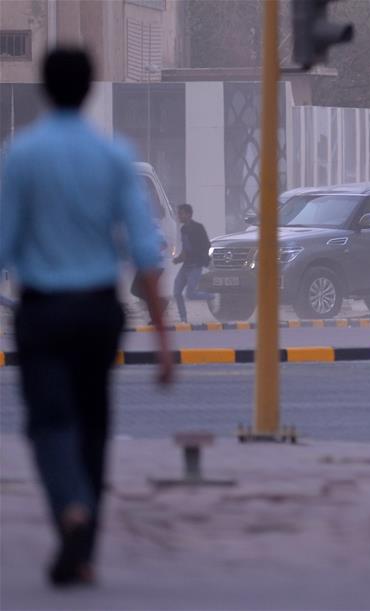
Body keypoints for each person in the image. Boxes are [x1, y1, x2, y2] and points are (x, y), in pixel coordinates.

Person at [0, 48, 173, 587]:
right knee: (94, 425)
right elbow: (146, 250)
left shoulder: (20, 156)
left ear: (45, 89)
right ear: (89, 89)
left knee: (49, 421)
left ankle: (69, 512)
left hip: (43, 311)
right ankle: (85, 552)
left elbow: (3, 243)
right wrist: (165, 340)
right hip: (100, 310)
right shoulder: (115, 155)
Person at [172, 204, 213, 324]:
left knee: (190, 294)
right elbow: (185, 248)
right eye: (178, 213)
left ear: (189, 214)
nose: (179, 216)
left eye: (181, 213)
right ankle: (183, 319)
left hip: (195, 265)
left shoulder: (198, 228)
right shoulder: (183, 229)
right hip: (186, 265)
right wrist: (178, 259)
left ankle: (212, 297)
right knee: (176, 292)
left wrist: (201, 259)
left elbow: (207, 245)